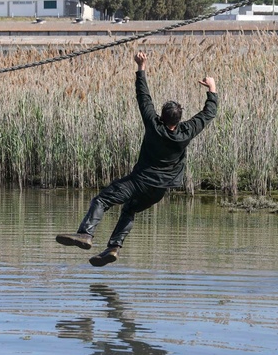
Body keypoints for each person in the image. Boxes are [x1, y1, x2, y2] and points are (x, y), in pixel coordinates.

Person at [56, 51, 218, 266]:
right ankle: (113, 247)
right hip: (159, 190)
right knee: (130, 209)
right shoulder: (186, 132)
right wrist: (212, 89)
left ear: (161, 116)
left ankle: (86, 234)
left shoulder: (153, 125)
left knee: (102, 200)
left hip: (138, 182)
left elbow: (143, 98)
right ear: (179, 119)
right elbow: (208, 114)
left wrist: (141, 67)